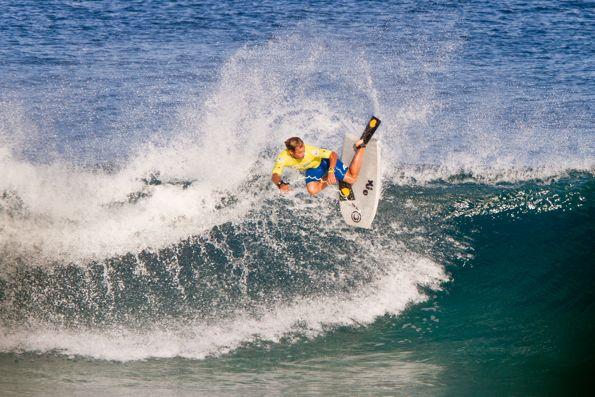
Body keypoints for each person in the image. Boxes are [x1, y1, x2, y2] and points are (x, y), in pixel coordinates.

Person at [271, 136, 367, 196]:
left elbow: (332, 155)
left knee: (352, 179)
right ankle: (329, 178)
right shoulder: (283, 158)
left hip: (325, 162)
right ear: (291, 152)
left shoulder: (311, 151)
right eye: (300, 153)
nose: (303, 153)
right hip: (313, 168)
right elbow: (275, 175)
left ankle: (361, 147)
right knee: (312, 191)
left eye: (304, 150)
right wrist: (280, 184)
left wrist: (331, 171)